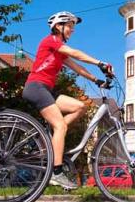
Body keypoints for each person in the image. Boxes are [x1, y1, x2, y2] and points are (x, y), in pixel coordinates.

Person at [22, 11, 113, 190]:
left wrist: (97, 80)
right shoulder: (51, 41)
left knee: (80, 107)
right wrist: (100, 63)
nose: (72, 30)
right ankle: (56, 173)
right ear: (58, 26)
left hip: (47, 90)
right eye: (70, 26)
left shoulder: (59, 50)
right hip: (36, 87)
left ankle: (53, 140)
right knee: (61, 126)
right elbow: (76, 53)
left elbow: (77, 67)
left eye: (73, 26)